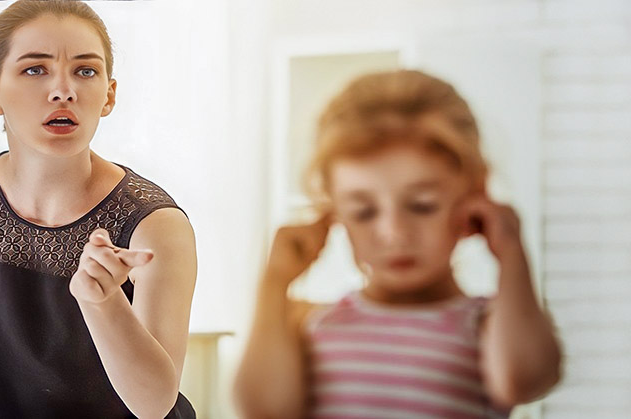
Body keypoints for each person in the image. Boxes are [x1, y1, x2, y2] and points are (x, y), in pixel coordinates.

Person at [0, 1, 197, 418]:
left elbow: (154, 405)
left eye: (85, 71)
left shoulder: (156, 226)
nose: (63, 90)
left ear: (108, 95)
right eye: (35, 69)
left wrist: (103, 303)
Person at [235, 70, 561, 418]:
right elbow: (263, 410)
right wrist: (274, 283)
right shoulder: (310, 325)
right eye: (363, 211)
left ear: (473, 193)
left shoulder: (486, 324)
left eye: (422, 205)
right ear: (333, 210)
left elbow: (526, 380)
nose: (394, 232)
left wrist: (512, 255)